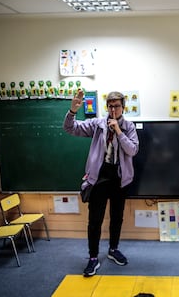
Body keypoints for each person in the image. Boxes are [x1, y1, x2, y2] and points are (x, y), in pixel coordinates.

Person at [63, 90, 139, 277]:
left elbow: (132, 150)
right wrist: (72, 111)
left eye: (117, 106)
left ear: (123, 107)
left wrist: (119, 131)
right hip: (99, 177)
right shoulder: (97, 124)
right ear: (107, 107)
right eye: (110, 106)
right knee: (95, 220)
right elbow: (70, 128)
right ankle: (93, 258)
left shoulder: (128, 126)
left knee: (117, 216)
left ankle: (113, 249)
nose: (113, 109)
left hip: (120, 178)